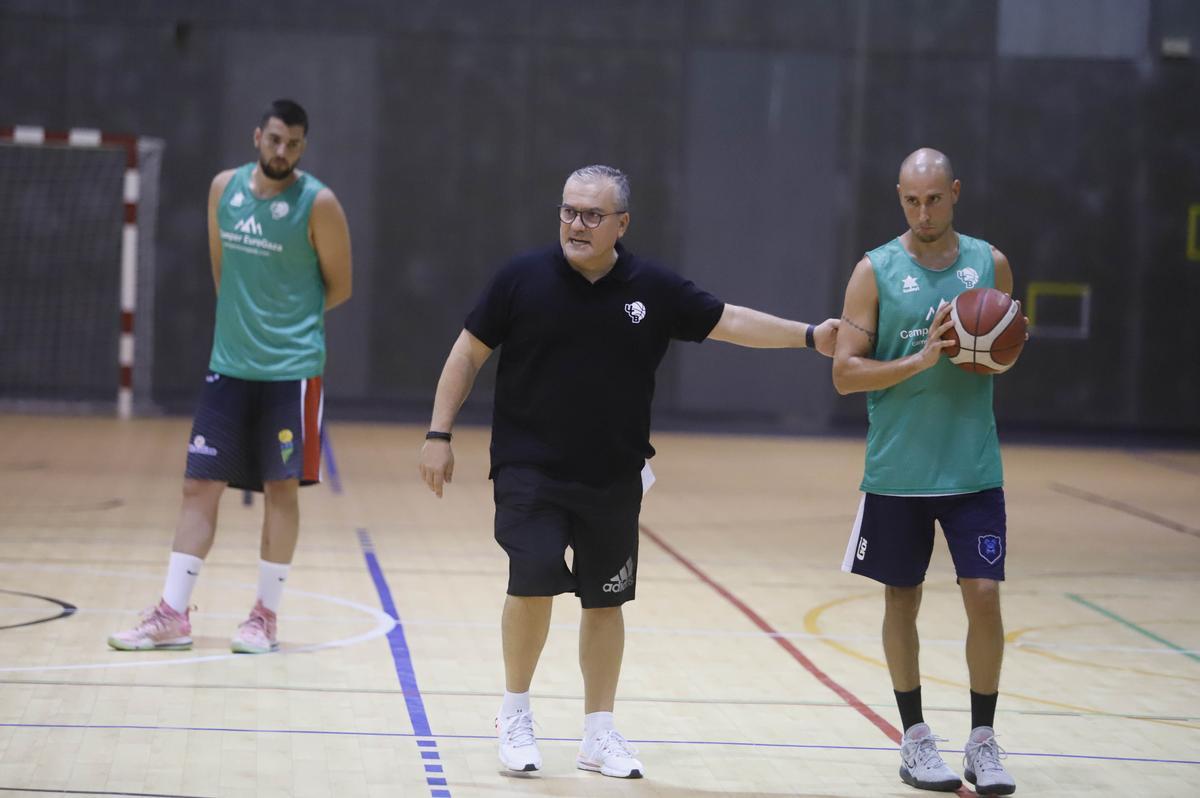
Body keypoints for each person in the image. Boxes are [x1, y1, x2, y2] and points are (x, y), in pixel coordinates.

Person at [419, 164, 838, 779]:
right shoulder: (521, 280)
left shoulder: (655, 289)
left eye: (592, 215)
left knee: (604, 600)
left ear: (622, 224)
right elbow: (466, 354)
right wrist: (438, 433)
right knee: (531, 579)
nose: (576, 225)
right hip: (528, 468)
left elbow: (730, 321)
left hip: (613, 475)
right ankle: (515, 714)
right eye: (568, 211)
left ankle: (599, 732)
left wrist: (809, 336)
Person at [109, 99, 352, 655]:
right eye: (273, 139)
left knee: (280, 489)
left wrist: (285, 324)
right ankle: (172, 614)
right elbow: (222, 269)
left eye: (292, 143)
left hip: (291, 373)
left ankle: (264, 616)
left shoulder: (319, 203)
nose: (281, 151)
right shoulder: (225, 189)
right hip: (229, 367)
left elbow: (340, 286)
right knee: (198, 484)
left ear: (303, 147)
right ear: (257, 137)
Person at [832, 148, 1020, 795]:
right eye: (912, 200)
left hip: (972, 467)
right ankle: (914, 738)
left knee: (985, 595)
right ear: (899, 196)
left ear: (955, 192)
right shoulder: (874, 271)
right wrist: (918, 359)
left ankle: (983, 740)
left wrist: (1001, 346)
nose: (923, 211)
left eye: (934, 199)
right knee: (901, 600)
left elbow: (998, 348)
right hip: (897, 471)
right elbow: (843, 372)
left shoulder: (988, 262)